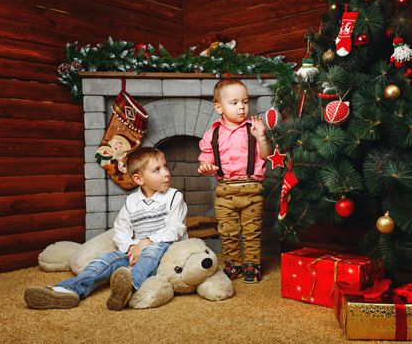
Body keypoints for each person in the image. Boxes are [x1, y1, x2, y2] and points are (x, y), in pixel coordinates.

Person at [24, 147, 188, 310]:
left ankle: (129, 286)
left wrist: (147, 241)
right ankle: (68, 289)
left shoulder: (174, 197)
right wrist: (130, 246)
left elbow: (176, 228)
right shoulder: (132, 201)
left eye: (165, 166)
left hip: (164, 248)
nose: (166, 173)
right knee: (107, 258)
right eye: (157, 170)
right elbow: (121, 230)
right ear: (139, 179)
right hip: (135, 251)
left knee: (153, 250)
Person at [198, 79, 271, 283]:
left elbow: (266, 156)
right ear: (219, 107)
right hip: (225, 191)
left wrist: (261, 138)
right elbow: (206, 159)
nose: (242, 107)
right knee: (228, 231)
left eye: (245, 102)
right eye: (235, 102)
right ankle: (233, 264)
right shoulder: (212, 134)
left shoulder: (253, 130)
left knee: (251, 231)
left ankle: (252, 265)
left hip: (252, 190)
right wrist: (206, 166)